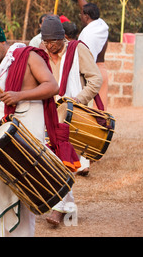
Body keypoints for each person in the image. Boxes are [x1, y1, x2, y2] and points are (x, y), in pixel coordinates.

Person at [0, 14, 64, 237]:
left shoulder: (28, 57)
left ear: (2, 40)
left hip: (27, 132)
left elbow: (52, 86)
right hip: (1, 136)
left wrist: (20, 95)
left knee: (24, 191)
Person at [40, 15, 102, 225]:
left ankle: (58, 209)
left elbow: (95, 80)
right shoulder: (42, 52)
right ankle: (69, 209)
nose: (49, 46)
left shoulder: (78, 50)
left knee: (61, 162)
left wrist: (78, 100)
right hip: (48, 114)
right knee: (54, 161)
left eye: (53, 42)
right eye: (46, 42)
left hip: (72, 116)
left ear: (62, 38)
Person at [72, 0, 109, 110]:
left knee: (83, 110)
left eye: (81, 14)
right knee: (101, 110)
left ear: (86, 17)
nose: (80, 17)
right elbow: (85, 6)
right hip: (102, 71)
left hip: (91, 73)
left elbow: (85, 59)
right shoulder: (101, 25)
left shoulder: (88, 34)